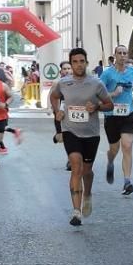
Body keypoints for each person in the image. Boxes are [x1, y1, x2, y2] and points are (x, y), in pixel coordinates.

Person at [50, 48, 112, 227]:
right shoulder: (63, 83)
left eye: (82, 61)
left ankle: (88, 194)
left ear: (86, 62)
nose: (78, 65)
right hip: (71, 131)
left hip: (91, 133)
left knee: (86, 171)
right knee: (76, 166)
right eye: (75, 62)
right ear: (71, 63)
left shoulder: (96, 83)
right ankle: (76, 212)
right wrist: (57, 111)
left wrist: (97, 107)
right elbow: (54, 97)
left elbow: (110, 104)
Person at [100, 45, 133, 196]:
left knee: (127, 146)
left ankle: (127, 181)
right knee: (114, 149)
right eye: (120, 53)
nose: (122, 55)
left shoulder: (132, 71)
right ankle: (110, 161)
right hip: (111, 115)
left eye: (125, 53)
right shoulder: (107, 74)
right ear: (115, 55)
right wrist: (113, 94)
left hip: (128, 114)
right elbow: (100, 94)